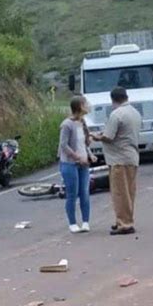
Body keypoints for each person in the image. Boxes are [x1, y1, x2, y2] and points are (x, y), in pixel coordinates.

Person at [92, 87, 141, 235]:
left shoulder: (116, 114)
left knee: (120, 193)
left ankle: (124, 224)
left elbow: (109, 136)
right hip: (131, 156)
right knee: (129, 192)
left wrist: (97, 136)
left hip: (119, 158)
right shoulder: (134, 112)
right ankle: (124, 219)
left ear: (113, 99)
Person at [58, 96, 97, 233]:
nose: (88, 106)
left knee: (84, 193)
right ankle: (72, 223)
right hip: (70, 163)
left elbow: (83, 144)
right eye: (85, 104)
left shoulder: (83, 122)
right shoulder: (67, 124)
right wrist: (77, 157)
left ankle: (85, 221)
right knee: (72, 193)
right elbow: (64, 145)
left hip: (84, 163)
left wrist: (89, 153)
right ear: (80, 106)